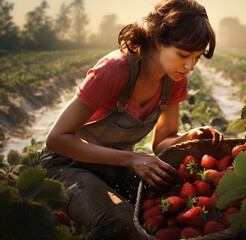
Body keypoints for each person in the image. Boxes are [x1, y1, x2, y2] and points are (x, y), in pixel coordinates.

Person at [39, 0, 222, 239]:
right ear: (158, 40)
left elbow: (162, 141)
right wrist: (131, 158)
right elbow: (57, 139)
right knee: (122, 223)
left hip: (116, 167)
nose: (190, 66)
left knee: (175, 203)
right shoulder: (114, 70)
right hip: (67, 165)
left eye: (197, 57)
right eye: (183, 54)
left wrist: (190, 136)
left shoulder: (174, 79)